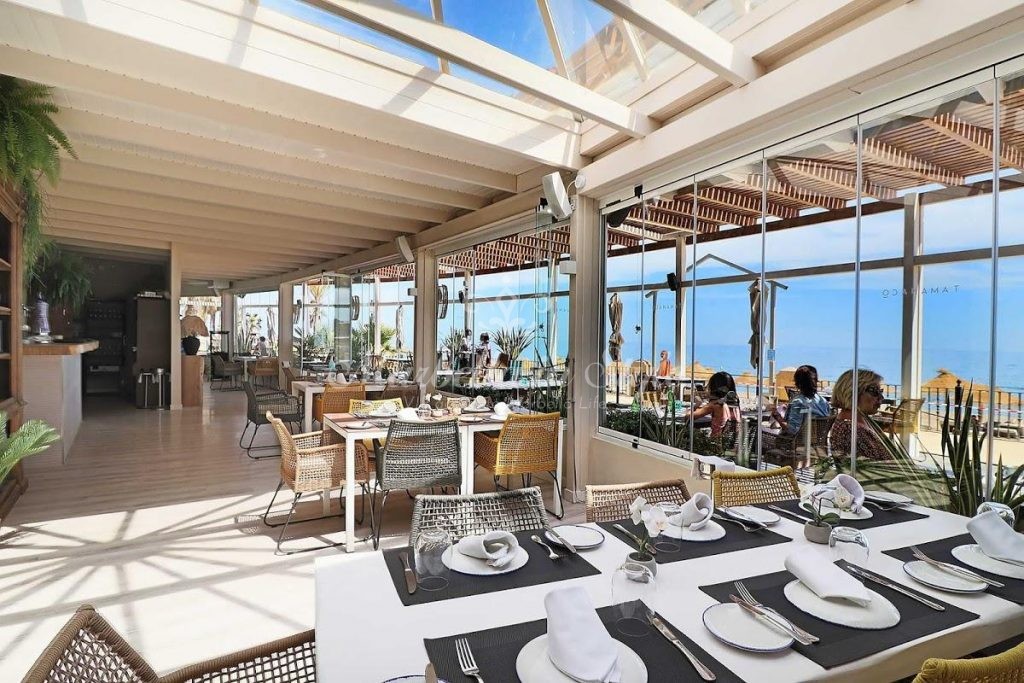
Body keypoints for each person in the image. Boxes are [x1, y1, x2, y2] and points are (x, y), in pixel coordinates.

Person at [829, 368, 892, 461]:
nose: (881, 397)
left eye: (880, 391)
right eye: (874, 391)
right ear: (853, 392)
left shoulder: (858, 423)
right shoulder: (849, 429)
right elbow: (872, 466)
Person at [772, 365, 830, 436]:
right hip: (818, 440)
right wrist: (792, 409)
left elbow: (792, 430)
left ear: (798, 383)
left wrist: (778, 417)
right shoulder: (823, 401)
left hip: (796, 441)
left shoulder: (798, 402)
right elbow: (807, 411)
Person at [684, 371, 741, 437]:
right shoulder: (735, 403)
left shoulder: (715, 404)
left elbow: (688, 417)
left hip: (716, 442)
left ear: (714, 387)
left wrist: (696, 405)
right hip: (733, 441)